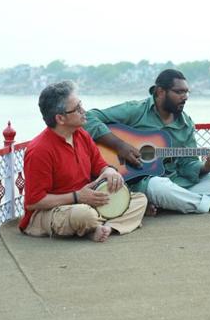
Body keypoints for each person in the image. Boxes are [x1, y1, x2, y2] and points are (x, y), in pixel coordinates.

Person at [85, 69, 210, 213]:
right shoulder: (136, 110)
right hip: (142, 183)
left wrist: (207, 166)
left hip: (175, 182)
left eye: (187, 92)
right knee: (159, 185)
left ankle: (170, 204)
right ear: (160, 92)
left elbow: (189, 165)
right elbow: (88, 117)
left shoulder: (186, 124)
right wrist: (120, 145)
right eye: (179, 92)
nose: (185, 97)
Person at [19, 81, 148, 243]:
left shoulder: (81, 134)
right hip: (51, 211)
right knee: (84, 215)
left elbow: (100, 166)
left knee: (139, 199)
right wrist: (77, 197)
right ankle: (94, 225)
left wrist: (109, 172)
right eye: (77, 109)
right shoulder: (39, 150)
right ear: (60, 118)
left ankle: (106, 227)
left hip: (86, 200)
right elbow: (34, 202)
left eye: (81, 105)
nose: (83, 111)